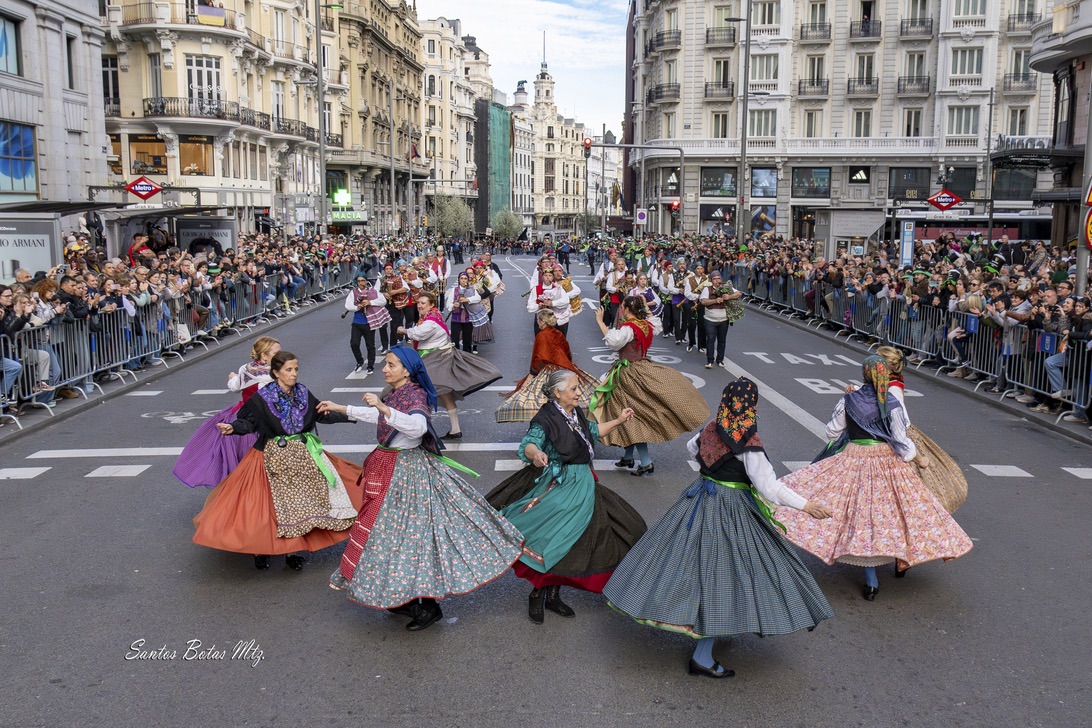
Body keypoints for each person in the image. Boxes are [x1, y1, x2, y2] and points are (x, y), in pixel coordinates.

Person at [602, 378, 834, 679]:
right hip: (731, 508)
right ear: (751, 405)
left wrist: (709, 471)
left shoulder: (713, 427)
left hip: (699, 498)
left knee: (686, 565)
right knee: (722, 576)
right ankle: (703, 655)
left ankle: (684, 618)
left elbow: (692, 448)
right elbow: (768, 487)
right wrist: (806, 505)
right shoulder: (749, 442)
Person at [322, 345, 523, 631]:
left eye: (390, 364)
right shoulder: (393, 394)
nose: (385, 369)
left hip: (407, 475)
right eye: (386, 364)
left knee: (408, 540)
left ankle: (425, 607)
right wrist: (342, 407)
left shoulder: (414, 394)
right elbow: (380, 417)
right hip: (389, 470)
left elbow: (417, 428)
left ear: (407, 369)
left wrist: (383, 408)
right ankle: (403, 598)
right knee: (388, 537)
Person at [777, 355, 973, 600]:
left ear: (864, 374)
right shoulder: (891, 401)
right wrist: (917, 458)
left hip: (854, 457)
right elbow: (901, 441)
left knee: (859, 516)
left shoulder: (849, 399)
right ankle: (902, 559)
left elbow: (831, 432)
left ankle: (871, 580)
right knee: (899, 514)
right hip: (886, 462)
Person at [487, 370, 646, 623]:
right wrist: (536, 454)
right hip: (561, 484)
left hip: (584, 483)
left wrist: (618, 420)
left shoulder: (576, 413)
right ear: (557, 392)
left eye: (577, 388)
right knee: (553, 539)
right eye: (573, 389)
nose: (579, 393)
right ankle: (537, 595)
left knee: (582, 542)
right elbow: (528, 443)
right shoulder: (545, 418)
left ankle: (553, 595)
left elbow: (593, 431)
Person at [192, 351, 363, 570]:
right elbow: (248, 423)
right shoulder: (262, 398)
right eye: (288, 370)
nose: (294, 374)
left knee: (301, 504)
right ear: (276, 373)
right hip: (270, 455)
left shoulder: (302, 393)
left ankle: (293, 552)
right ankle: (260, 549)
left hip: (302, 455)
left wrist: (352, 414)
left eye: (296, 369)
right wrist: (233, 428)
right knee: (265, 507)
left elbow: (322, 414)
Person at [592, 295, 710, 475]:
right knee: (627, 412)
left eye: (623, 307)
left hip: (629, 374)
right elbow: (655, 322)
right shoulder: (645, 324)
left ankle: (646, 461)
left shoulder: (628, 328)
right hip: (642, 368)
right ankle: (628, 456)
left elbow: (614, 342)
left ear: (627, 309)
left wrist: (600, 322)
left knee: (632, 417)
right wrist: (645, 308)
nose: (621, 310)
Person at [173, 336, 280, 488]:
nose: (281, 356)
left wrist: (233, 378)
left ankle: (239, 488)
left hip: (240, 413)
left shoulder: (246, 368)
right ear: (264, 355)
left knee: (233, 455)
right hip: (258, 418)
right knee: (257, 456)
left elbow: (235, 387)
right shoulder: (272, 374)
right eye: (276, 353)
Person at [398, 290, 502, 439]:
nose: (419, 306)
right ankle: (452, 429)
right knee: (442, 394)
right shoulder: (430, 317)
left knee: (424, 391)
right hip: (431, 358)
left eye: (423, 303)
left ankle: (420, 428)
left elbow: (418, 334)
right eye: (418, 303)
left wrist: (404, 330)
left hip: (435, 359)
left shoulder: (430, 321)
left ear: (432, 304)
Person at [496, 309, 599, 423]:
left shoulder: (541, 336)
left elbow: (538, 357)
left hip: (549, 370)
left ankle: (550, 421)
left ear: (542, 322)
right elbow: (567, 352)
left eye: (538, 320)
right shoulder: (558, 333)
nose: (537, 323)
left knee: (542, 399)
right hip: (563, 368)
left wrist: (532, 374)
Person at [345, 274, 390, 374]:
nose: (361, 283)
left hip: (369, 322)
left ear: (366, 281)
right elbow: (348, 305)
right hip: (357, 322)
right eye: (359, 281)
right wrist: (357, 307)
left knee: (370, 345)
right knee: (354, 343)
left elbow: (383, 301)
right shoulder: (353, 292)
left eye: (363, 281)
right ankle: (359, 361)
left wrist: (370, 302)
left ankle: (370, 366)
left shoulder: (372, 291)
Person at [698, 270, 742, 370]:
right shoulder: (707, 289)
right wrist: (715, 300)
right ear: (711, 280)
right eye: (715, 279)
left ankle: (720, 360)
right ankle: (710, 360)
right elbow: (703, 301)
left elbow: (739, 294)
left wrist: (729, 296)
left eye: (719, 278)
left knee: (722, 340)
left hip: (723, 319)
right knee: (710, 339)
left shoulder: (726, 287)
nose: (717, 281)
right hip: (710, 319)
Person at [443, 271, 484, 353]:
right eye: (461, 278)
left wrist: (468, 299)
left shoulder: (471, 289)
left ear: (468, 280)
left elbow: (478, 298)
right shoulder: (454, 290)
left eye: (465, 278)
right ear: (458, 280)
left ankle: (467, 356)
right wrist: (453, 305)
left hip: (468, 318)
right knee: (455, 340)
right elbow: (448, 304)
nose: (463, 280)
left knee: (467, 340)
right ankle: (456, 356)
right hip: (456, 318)